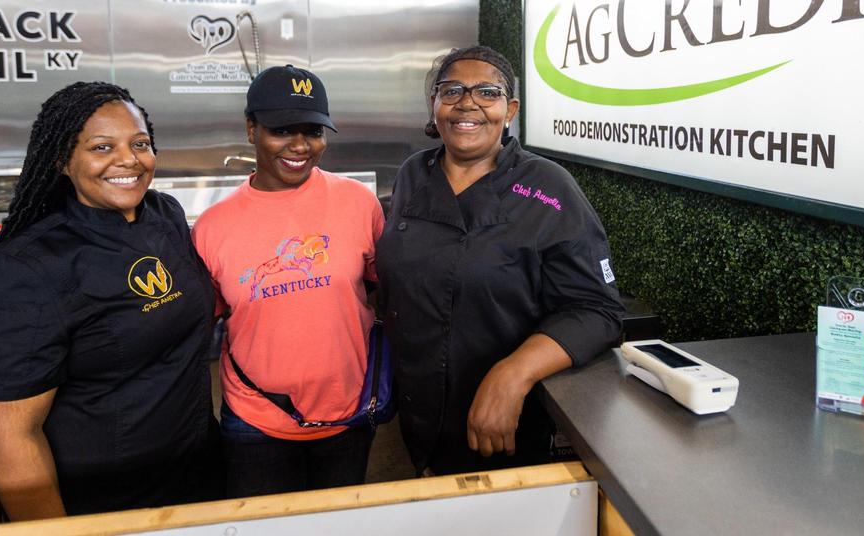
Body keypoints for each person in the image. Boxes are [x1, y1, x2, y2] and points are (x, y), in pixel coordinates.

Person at [0, 81, 220, 520]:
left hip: (198, 481)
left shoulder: (165, 215)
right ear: (62, 160)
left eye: (140, 143)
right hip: (104, 506)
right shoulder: (27, 267)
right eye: (102, 147)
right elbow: (8, 435)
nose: (129, 159)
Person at [376, 46, 624, 475]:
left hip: (506, 427)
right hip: (417, 408)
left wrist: (513, 374)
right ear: (434, 104)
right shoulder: (413, 173)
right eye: (452, 90)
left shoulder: (548, 186)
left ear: (509, 110)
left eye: (487, 92)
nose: (467, 103)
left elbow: (597, 311)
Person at [192, 64, 385, 496]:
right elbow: (201, 325)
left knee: (337, 523)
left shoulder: (360, 203)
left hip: (349, 414)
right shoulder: (212, 227)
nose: (300, 146)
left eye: (313, 131)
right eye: (281, 130)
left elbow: (381, 291)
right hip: (255, 422)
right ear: (251, 129)